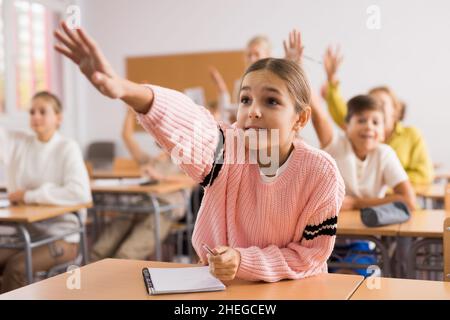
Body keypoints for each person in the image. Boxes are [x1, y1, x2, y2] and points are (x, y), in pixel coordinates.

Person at [55, 23, 344, 282]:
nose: (253, 111)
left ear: (301, 119)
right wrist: (125, 90)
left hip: (296, 291)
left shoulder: (320, 172)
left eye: (271, 101)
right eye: (245, 99)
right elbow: (190, 124)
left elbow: (310, 256)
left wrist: (244, 261)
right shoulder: (227, 150)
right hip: (222, 286)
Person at [0, 91, 91, 292]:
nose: (35, 116)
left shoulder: (67, 147)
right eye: (32, 112)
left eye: (43, 111)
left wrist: (29, 195)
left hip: (63, 237)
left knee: (16, 268)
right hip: (26, 234)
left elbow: (80, 193)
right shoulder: (22, 144)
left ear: (58, 118)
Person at [322, 45, 434, 185]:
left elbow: (424, 175)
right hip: (369, 201)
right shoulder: (363, 134)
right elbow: (342, 114)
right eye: (368, 110)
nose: (372, 115)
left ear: (395, 111)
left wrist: (390, 180)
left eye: (381, 105)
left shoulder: (411, 135)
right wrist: (331, 80)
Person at [90, 108, 186, 261]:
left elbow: (194, 181)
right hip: (140, 206)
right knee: (99, 251)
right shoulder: (151, 160)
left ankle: (117, 280)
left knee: (126, 254)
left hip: (163, 210)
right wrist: (130, 112)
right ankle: (95, 278)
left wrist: (160, 176)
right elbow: (127, 137)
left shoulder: (185, 163)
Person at [210, 29, 303, 123]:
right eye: (249, 55)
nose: (252, 59)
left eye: (256, 54)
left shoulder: (279, 81)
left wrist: (291, 69)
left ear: (268, 55)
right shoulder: (240, 84)